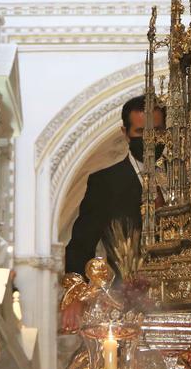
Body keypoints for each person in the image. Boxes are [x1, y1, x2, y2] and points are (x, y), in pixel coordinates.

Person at [61, 94, 164, 330]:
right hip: (127, 303)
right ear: (125, 132)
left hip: (183, 299)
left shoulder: (187, 179)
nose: (149, 140)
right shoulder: (105, 183)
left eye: (156, 131)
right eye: (140, 133)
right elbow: (81, 243)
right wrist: (75, 295)